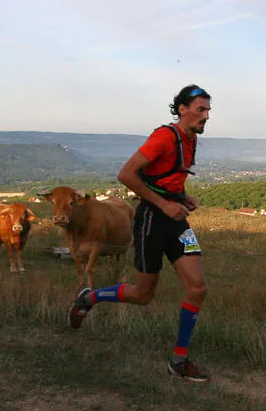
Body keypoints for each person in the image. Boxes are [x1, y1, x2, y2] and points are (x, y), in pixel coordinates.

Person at [68, 84, 212, 382]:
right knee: (143, 295)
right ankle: (89, 298)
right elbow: (126, 175)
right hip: (151, 221)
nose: (207, 115)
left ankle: (179, 360)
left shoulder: (191, 139)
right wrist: (163, 204)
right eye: (201, 109)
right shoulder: (164, 137)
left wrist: (183, 198)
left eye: (208, 110)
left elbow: (167, 178)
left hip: (176, 220)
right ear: (183, 109)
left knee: (197, 289)